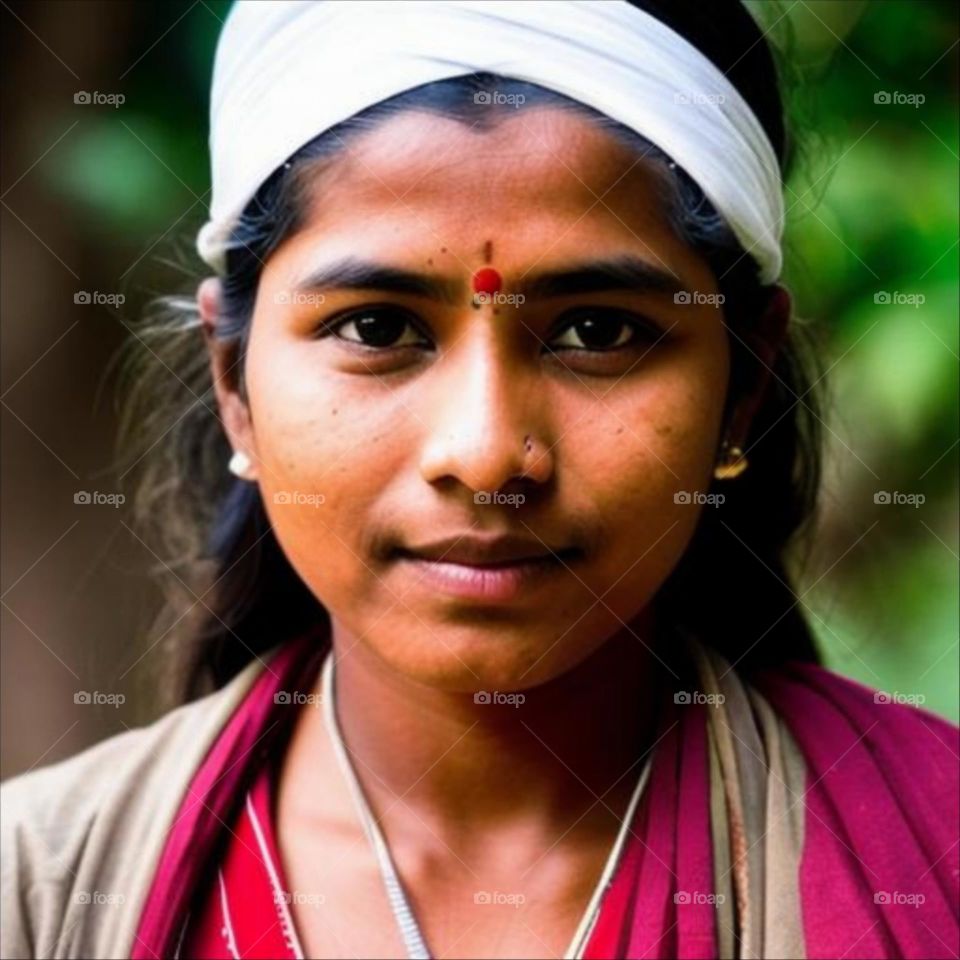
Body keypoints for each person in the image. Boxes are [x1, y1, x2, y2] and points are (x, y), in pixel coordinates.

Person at [2, 2, 957, 958]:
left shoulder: (935, 853)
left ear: (742, 383)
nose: (489, 456)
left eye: (598, 331)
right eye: (377, 329)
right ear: (233, 381)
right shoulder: (36, 891)